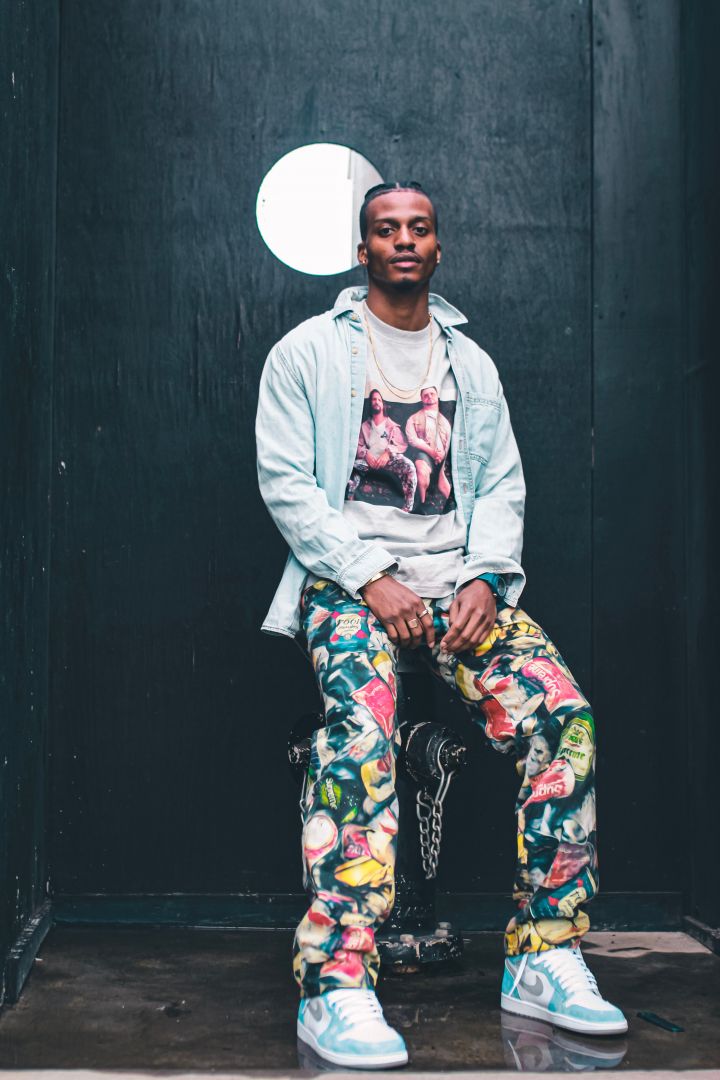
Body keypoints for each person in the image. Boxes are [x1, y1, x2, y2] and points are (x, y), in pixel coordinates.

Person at [255, 181, 627, 1069]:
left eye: (418, 228)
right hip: (350, 589)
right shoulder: (307, 352)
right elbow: (287, 483)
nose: (403, 241)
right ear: (362, 250)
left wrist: (488, 578)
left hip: (455, 590)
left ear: (437, 246)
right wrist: (369, 576)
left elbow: (500, 485)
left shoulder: (472, 365)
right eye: (386, 229)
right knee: (361, 733)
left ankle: (543, 953)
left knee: (564, 719)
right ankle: (335, 982)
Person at [346, 388, 417, 512]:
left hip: (388, 461)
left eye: (379, 400)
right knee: (349, 465)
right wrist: (366, 454)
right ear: (370, 403)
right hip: (369, 462)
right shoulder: (364, 426)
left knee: (409, 466)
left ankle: (408, 507)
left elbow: (402, 444)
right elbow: (357, 445)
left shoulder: (392, 426)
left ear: (383, 404)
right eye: (374, 399)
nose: (376, 402)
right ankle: (349, 498)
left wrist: (388, 453)